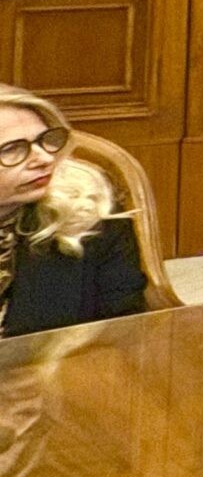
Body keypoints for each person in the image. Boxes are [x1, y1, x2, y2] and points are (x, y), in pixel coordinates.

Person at [0, 87, 147, 338]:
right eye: (12, 149)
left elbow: (124, 327)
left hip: (58, 362)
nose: (45, 159)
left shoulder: (87, 208)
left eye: (44, 140)